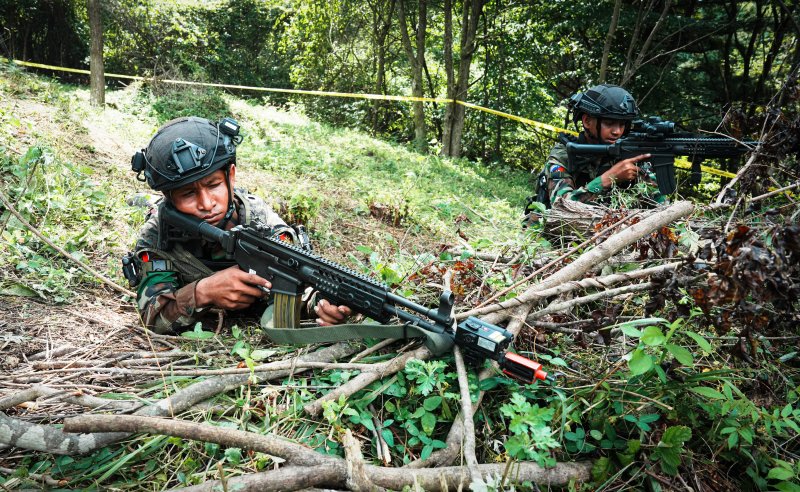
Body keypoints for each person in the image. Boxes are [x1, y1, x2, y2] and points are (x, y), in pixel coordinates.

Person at [126, 116, 351, 334]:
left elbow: (299, 286)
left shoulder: (262, 223)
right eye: (188, 194)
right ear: (170, 197)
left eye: (213, 185)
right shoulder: (158, 236)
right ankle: (144, 201)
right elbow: (153, 319)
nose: (207, 204)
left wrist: (321, 305)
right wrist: (203, 292)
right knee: (150, 207)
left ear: (230, 176)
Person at [532, 83, 665, 208]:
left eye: (622, 124)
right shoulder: (563, 155)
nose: (617, 131)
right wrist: (609, 178)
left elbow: (660, 204)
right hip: (553, 229)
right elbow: (562, 207)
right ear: (587, 121)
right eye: (609, 123)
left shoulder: (628, 153)